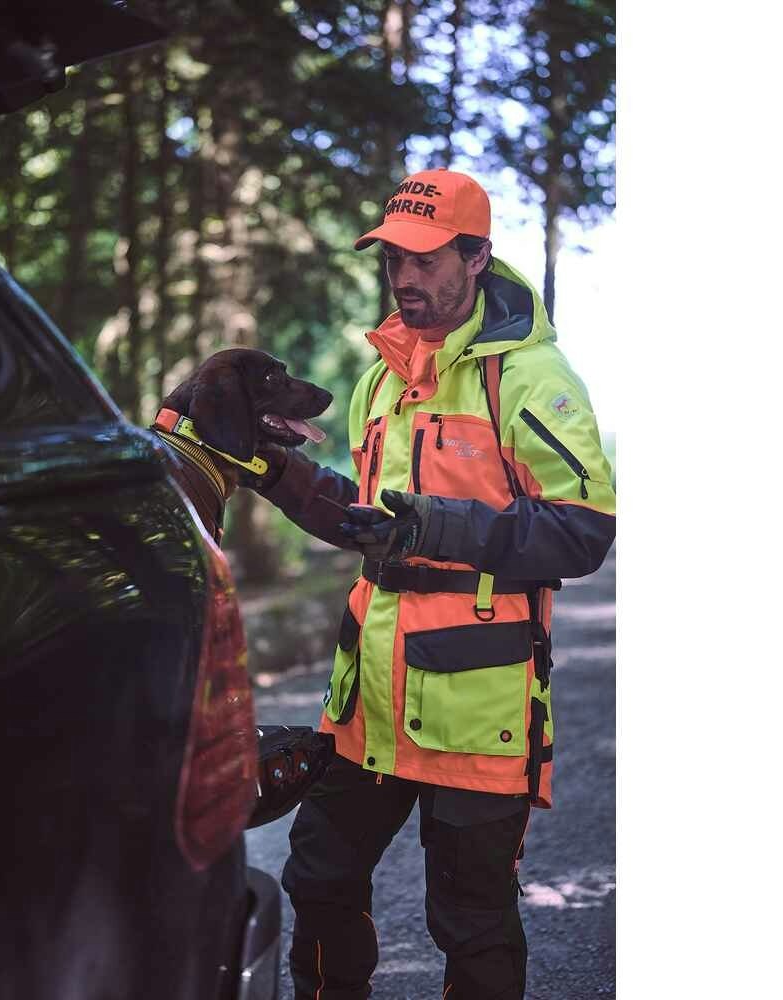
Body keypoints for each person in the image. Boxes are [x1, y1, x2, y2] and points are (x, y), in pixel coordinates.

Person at [243, 167, 616, 999]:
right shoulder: (380, 378)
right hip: (367, 702)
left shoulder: (533, 379)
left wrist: (437, 526)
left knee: (472, 923)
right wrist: (268, 466)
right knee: (317, 879)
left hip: (477, 713)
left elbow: (585, 528)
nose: (404, 278)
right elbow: (368, 517)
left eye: (424, 259)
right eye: (392, 261)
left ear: (476, 256)